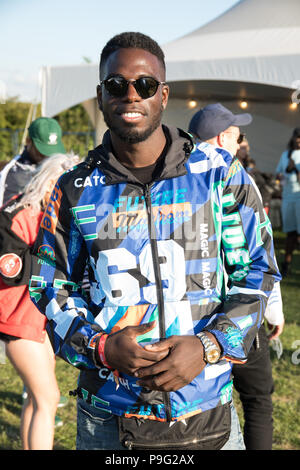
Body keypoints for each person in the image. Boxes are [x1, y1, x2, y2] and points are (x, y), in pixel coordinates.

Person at [29, 32, 280, 451]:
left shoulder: (218, 173)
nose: (131, 95)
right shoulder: (74, 189)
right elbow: (49, 287)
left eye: (144, 85)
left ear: (163, 95)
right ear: (100, 95)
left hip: (207, 414)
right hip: (108, 418)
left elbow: (258, 269)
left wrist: (208, 346)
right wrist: (101, 347)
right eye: (116, 85)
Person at [188, 102, 284, 450]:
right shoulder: (233, 175)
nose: (241, 141)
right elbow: (257, 248)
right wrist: (272, 309)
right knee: (257, 400)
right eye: (237, 134)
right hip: (238, 314)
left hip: (193, 318)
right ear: (223, 137)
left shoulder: (176, 176)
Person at [0, 152, 80, 450]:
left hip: (36, 320)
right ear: (50, 184)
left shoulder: (49, 215)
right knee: (49, 398)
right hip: (17, 320)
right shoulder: (23, 214)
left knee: (38, 399)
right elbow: (10, 270)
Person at [0, 117, 65, 207]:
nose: (49, 157)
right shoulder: (13, 174)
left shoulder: (62, 165)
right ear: (28, 141)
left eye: (53, 151)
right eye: (44, 151)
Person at [276, 127, 300, 277]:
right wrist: (280, 175)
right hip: (287, 197)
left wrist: (295, 169)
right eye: (296, 138)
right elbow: (278, 174)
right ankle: (286, 263)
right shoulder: (286, 154)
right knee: (290, 232)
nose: (298, 141)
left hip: (299, 198)